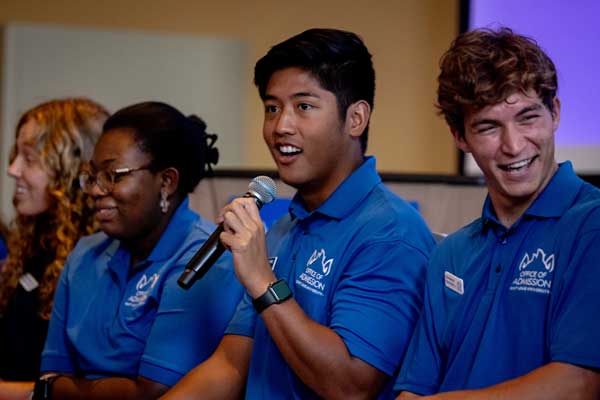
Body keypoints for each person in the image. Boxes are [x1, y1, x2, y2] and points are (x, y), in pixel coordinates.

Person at [164, 28, 435, 400]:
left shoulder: (391, 233)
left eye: (303, 107)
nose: (280, 127)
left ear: (356, 118)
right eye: (272, 108)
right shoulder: (284, 227)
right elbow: (230, 364)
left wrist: (262, 279)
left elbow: (350, 385)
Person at [394, 28, 600, 399]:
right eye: (488, 127)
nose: (514, 145)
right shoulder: (451, 253)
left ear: (554, 113)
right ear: (460, 136)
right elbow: (416, 388)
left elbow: (579, 384)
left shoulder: (591, 225)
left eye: (527, 118)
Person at [36, 102, 243, 399]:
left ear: (166, 182)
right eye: (93, 176)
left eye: (114, 175)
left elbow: (154, 392)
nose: (95, 190)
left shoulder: (206, 258)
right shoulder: (84, 254)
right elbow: (49, 376)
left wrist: (60, 389)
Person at [0, 98, 109, 395]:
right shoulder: (33, 243)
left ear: (71, 170)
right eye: (15, 155)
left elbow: (76, 388)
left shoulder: (96, 261)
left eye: (29, 159)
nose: (12, 169)